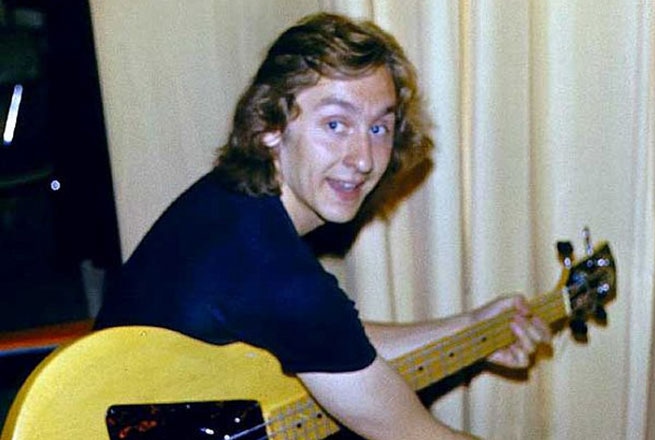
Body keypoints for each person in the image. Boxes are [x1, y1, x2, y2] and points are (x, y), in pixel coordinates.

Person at [95, 12, 550, 439]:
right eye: (336, 124)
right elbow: (412, 433)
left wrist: (471, 328)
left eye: (379, 129)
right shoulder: (270, 267)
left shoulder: (233, 205)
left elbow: (334, 341)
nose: (363, 159)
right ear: (270, 126)